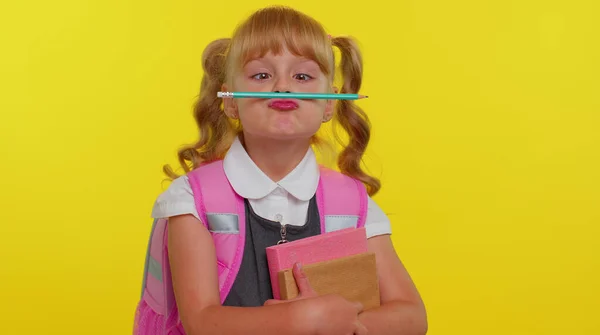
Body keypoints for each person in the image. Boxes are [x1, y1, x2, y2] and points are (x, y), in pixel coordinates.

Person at [136, 5, 427, 335]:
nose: (283, 86)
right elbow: (202, 322)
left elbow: (412, 316)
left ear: (329, 103)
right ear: (230, 100)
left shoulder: (351, 205)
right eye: (262, 75)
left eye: (302, 76)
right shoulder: (193, 200)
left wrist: (346, 323)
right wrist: (304, 320)